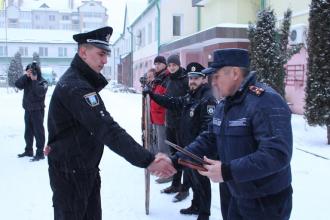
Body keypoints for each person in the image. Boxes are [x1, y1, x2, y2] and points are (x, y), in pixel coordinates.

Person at [45, 26, 176, 220]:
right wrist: (147, 160)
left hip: (82, 169)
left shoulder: (79, 82)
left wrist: (55, 143)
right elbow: (107, 129)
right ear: (83, 52)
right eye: (100, 54)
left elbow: (65, 125)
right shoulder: (76, 87)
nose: (105, 60)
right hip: (71, 175)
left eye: (106, 54)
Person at [171, 48, 293, 220]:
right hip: (234, 193)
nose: (213, 82)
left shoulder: (265, 101)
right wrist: (175, 161)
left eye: (217, 76)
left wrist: (227, 171)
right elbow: (210, 138)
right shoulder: (225, 104)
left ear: (235, 73)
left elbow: (277, 154)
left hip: (265, 201)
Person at [144, 62, 217, 220]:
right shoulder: (191, 96)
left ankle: (204, 214)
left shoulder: (207, 99)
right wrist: (152, 95)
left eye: (196, 78)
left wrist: (196, 147)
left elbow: (208, 130)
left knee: (201, 182)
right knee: (193, 180)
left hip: (199, 151)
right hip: (187, 148)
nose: (192, 81)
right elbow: (172, 102)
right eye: (191, 78)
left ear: (204, 79)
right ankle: (196, 205)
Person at [161, 54, 189, 195]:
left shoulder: (185, 79)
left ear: (178, 65)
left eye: (174, 65)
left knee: (183, 156)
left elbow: (188, 100)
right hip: (170, 121)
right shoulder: (168, 79)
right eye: (170, 65)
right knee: (173, 155)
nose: (172, 68)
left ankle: (185, 188)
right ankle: (175, 184)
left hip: (182, 123)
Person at [15, 62, 48, 161]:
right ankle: (28, 151)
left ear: (37, 71)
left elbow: (39, 93)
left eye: (32, 70)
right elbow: (18, 85)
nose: (31, 72)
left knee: (38, 132)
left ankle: (40, 153)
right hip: (28, 110)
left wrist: (34, 80)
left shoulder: (43, 82)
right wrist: (26, 76)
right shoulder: (27, 80)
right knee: (28, 132)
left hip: (37, 111)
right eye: (29, 70)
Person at [150, 55, 172, 184]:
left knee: (164, 147)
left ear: (165, 64)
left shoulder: (167, 78)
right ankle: (163, 170)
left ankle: (167, 174)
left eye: (159, 63)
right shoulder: (159, 77)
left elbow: (164, 98)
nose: (157, 66)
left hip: (163, 117)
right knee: (160, 145)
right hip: (156, 117)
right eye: (155, 64)